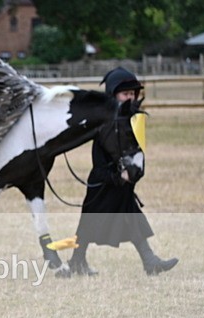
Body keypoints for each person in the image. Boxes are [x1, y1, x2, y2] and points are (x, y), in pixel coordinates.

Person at [61, 67, 178, 277]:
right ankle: (77, 261)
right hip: (103, 183)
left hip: (122, 184)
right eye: (125, 94)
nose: (130, 97)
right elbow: (98, 165)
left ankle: (149, 261)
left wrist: (133, 174)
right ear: (113, 95)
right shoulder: (104, 124)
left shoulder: (131, 121)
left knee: (130, 216)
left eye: (132, 93)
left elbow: (137, 152)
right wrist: (117, 177)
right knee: (88, 224)